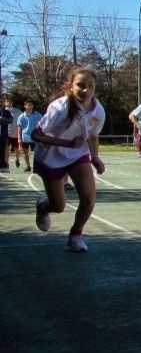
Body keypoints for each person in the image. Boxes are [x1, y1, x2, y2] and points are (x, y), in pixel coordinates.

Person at [31, 67, 106, 252]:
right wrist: (66, 143)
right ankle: (43, 207)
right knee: (58, 206)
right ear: (70, 86)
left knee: (88, 199)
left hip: (78, 155)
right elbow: (36, 135)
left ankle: (76, 234)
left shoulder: (98, 111)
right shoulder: (60, 107)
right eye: (80, 85)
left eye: (91, 86)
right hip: (51, 157)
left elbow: (93, 137)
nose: (86, 90)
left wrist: (95, 157)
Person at [17, 100, 43, 172]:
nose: (30, 106)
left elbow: (42, 126)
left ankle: (37, 167)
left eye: (31, 105)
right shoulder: (21, 116)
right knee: (25, 153)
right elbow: (19, 129)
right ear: (25, 106)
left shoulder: (38, 115)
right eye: (28, 105)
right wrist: (19, 140)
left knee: (37, 153)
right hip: (25, 138)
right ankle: (28, 166)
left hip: (35, 137)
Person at [5, 97, 22, 169]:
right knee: (6, 148)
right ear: (5, 103)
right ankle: (6, 163)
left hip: (15, 133)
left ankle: (17, 159)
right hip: (6, 133)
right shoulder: (2, 111)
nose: (9, 103)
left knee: (16, 149)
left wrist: (19, 132)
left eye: (10, 102)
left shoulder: (18, 111)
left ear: (12, 103)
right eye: (7, 102)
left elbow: (21, 121)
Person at [0, 102, 11, 173]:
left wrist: (3, 118)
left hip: (3, 134)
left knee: (2, 150)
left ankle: (3, 166)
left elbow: (10, 120)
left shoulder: (7, 112)